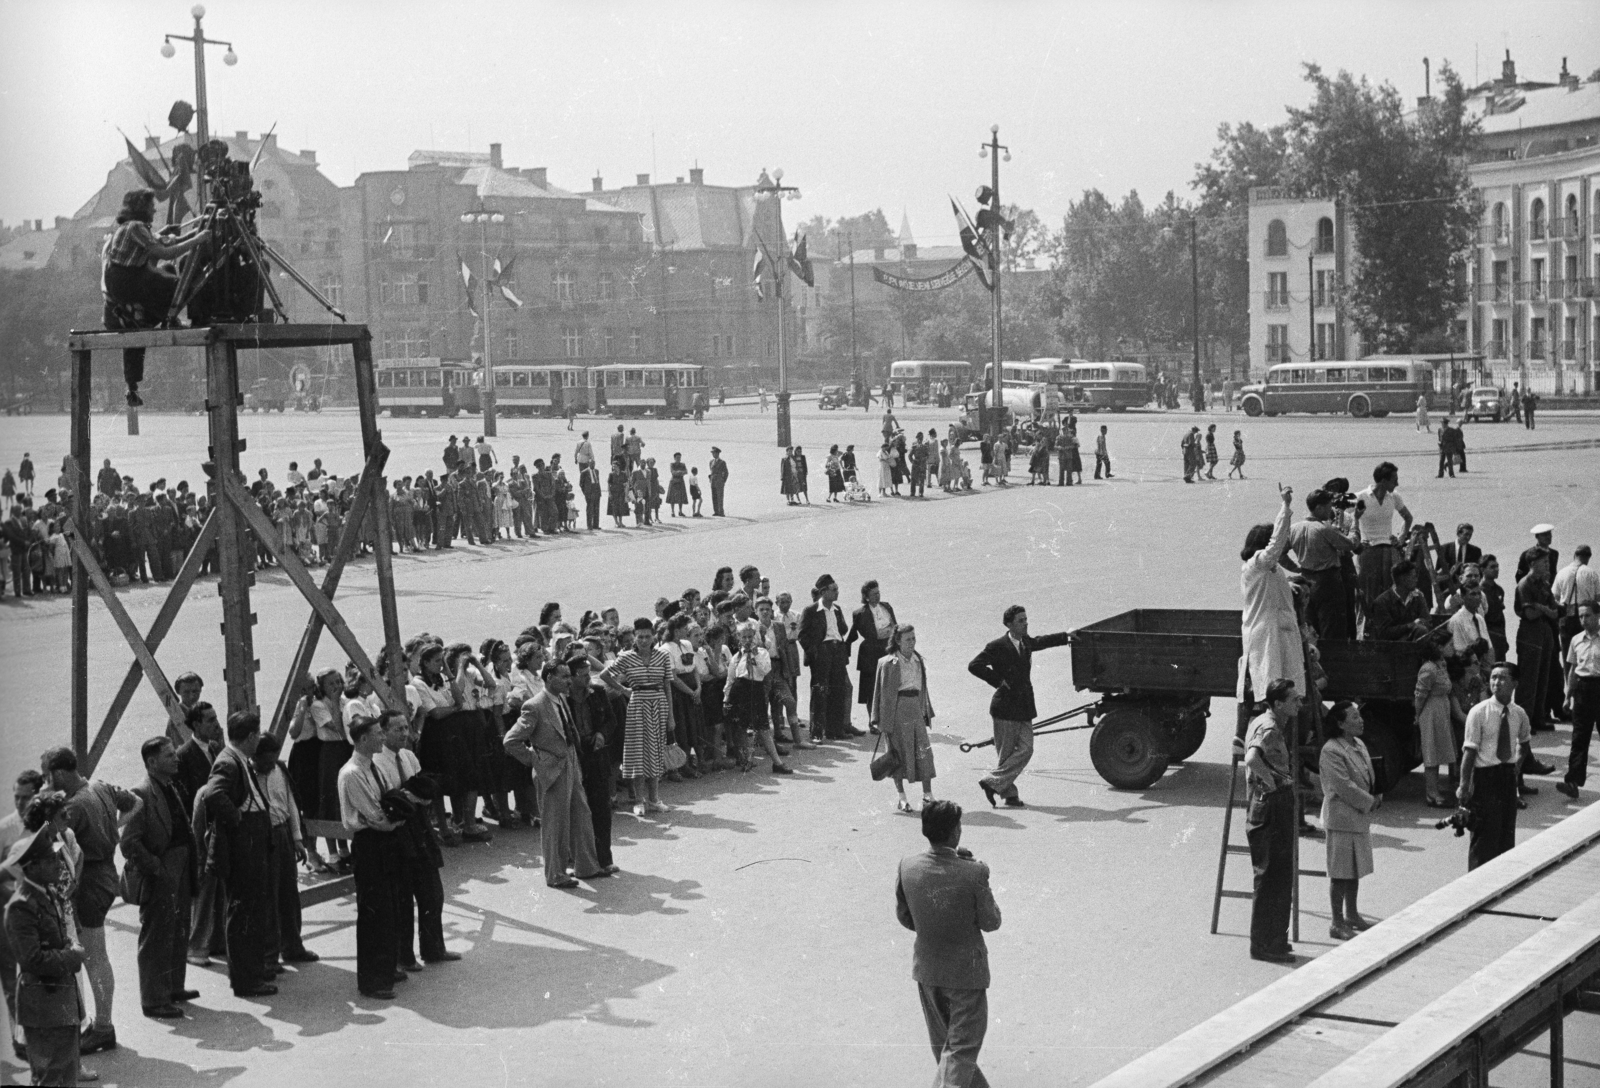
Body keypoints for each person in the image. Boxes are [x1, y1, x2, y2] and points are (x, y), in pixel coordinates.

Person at [894, 800, 1001, 1088]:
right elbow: (992, 922)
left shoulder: (908, 866)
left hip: (927, 971)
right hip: (966, 975)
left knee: (948, 1050)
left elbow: (905, 917)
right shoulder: (974, 872)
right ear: (956, 832)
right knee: (961, 1050)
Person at [43, 745, 140, 1054]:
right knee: (96, 956)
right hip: (105, 872)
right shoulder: (98, 787)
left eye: (49, 777)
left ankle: (103, 1028)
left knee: (93, 957)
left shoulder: (72, 807)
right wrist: (115, 828)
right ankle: (102, 1024)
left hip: (87, 880)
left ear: (59, 773)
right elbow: (135, 802)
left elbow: (48, 839)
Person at [506, 662, 613, 888]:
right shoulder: (534, 706)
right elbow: (511, 741)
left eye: (568, 676)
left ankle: (587, 866)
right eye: (563, 677)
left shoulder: (562, 699)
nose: (568, 680)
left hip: (571, 762)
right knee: (555, 823)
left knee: (581, 814)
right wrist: (537, 760)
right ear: (548, 678)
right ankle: (555, 874)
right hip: (552, 768)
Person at [100, 188, 211, 406]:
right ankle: (170, 316)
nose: (154, 209)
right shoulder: (135, 227)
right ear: (141, 208)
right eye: (151, 206)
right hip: (125, 282)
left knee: (168, 270)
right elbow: (166, 252)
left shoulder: (134, 228)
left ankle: (157, 317)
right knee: (179, 284)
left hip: (128, 282)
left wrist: (195, 233)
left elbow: (168, 243)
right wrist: (199, 239)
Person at [119, 736, 197, 1020]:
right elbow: (128, 843)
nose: (176, 759)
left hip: (180, 866)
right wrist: (156, 868)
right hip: (161, 871)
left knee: (178, 929)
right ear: (152, 762)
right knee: (157, 936)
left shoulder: (169, 785)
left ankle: (174, 987)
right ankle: (153, 1000)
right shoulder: (140, 794)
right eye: (169, 756)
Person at [967, 604, 1073, 808]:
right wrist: (998, 681)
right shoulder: (997, 645)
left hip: (1024, 705)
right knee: (1006, 753)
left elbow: (1042, 641)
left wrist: (1066, 636)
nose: (1025, 623)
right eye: (1020, 621)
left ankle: (992, 782)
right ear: (1009, 624)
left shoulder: (1025, 642)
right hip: (1005, 707)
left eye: (1026, 619)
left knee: (1026, 748)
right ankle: (1010, 795)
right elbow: (974, 665)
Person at [4, 828, 88, 1086]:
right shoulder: (21, 905)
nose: (58, 864)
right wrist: (71, 957)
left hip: (61, 999)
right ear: (32, 866)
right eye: (51, 860)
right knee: (50, 1076)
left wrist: (71, 945)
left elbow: (62, 935)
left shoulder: (47, 892)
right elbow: (32, 959)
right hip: (43, 1004)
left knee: (68, 1074)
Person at [203, 711, 277, 998]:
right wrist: (237, 818)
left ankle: (253, 971)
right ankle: (246, 979)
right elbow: (213, 795)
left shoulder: (239, 760)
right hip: (243, 846)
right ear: (249, 737)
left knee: (252, 910)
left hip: (253, 842)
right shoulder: (228, 762)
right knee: (243, 912)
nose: (259, 739)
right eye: (256, 735)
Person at [338, 715, 405, 999]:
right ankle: (372, 980)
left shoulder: (374, 766)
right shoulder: (352, 773)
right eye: (377, 733)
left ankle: (386, 968)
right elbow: (375, 814)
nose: (382, 737)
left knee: (389, 908)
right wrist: (397, 821)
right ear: (363, 739)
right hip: (369, 842)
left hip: (385, 841)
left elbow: (392, 797)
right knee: (373, 912)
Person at [1244, 678, 1302, 963]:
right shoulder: (1268, 728)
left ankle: (1275, 938)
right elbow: (1253, 759)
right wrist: (1273, 784)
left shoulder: (1266, 722)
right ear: (1278, 703)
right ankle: (1264, 944)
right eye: (1294, 700)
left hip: (1270, 804)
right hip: (1270, 806)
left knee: (1280, 875)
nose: (1299, 705)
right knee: (1271, 877)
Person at [252, 734, 319, 975]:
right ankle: (269, 956)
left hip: (283, 834)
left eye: (273, 760)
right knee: (268, 896)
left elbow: (291, 803)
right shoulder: (247, 774)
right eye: (266, 762)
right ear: (254, 757)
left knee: (289, 894)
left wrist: (297, 838)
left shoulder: (280, 769)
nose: (270, 766)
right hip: (262, 837)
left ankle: (292, 946)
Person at [1459, 663, 1535, 869]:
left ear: (1515, 684)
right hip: (1485, 778)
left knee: (1506, 832)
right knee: (1483, 835)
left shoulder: (1519, 714)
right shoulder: (1479, 712)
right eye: (1493, 677)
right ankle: (1476, 885)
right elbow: (1469, 752)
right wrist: (1463, 786)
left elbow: (1524, 742)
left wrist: (1516, 767)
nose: (1496, 682)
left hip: (1507, 779)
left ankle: (1501, 883)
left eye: (1502, 678)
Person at [1237, 486, 1304, 706]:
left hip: (1281, 634)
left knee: (1288, 693)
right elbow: (1275, 547)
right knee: (1273, 693)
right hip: (1267, 636)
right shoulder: (1255, 565)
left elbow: (1275, 590)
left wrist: (1293, 586)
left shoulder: (1273, 570)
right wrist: (1285, 507)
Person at [1320, 701, 1379, 940]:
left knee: (1354, 869)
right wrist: (1369, 800)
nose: (1360, 720)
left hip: (1358, 817)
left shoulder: (1359, 744)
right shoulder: (1331, 750)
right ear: (1341, 723)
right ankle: (1336, 922)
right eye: (1354, 717)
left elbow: (1368, 773)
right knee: (1340, 871)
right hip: (1342, 817)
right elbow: (1343, 785)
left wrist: (1377, 792)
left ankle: (1352, 914)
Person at [607, 618, 673, 815]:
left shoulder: (663, 656)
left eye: (647, 636)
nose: (644, 640)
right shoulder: (626, 657)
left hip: (659, 703)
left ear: (653, 636)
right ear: (634, 638)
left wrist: (671, 716)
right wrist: (624, 689)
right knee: (637, 754)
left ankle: (654, 799)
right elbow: (605, 675)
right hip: (637, 706)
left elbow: (667, 685)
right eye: (640, 637)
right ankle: (639, 801)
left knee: (655, 752)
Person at [873, 625, 937, 814]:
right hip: (897, 711)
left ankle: (927, 795)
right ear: (898, 641)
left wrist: (925, 710)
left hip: (915, 708)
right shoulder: (888, 663)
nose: (912, 643)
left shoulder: (918, 660)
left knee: (923, 751)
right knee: (897, 755)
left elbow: (923, 688)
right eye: (908, 639)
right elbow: (881, 694)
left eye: (914, 639)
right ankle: (902, 798)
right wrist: (882, 722)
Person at [1288, 489, 1360, 642]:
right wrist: (1355, 522)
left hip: (1306, 580)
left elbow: (1280, 554)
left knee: (1311, 626)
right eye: (1328, 507)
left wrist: (1296, 568)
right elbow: (1351, 544)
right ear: (1319, 508)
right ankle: (1333, 663)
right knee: (1333, 628)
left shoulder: (1294, 528)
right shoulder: (1324, 529)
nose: (1331, 510)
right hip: (1328, 582)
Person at [1353, 462, 1413, 631]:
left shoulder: (1394, 497)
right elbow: (1344, 517)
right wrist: (1357, 540)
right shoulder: (1361, 497)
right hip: (1368, 552)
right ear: (1383, 480)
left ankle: (1390, 630)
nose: (1397, 484)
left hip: (1389, 551)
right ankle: (1365, 632)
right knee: (1367, 593)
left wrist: (1400, 539)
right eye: (1394, 480)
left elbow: (1408, 518)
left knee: (1390, 592)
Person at [799, 575, 858, 741]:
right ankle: (817, 732)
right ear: (823, 592)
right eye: (834, 590)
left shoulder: (837, 609)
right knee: (820, 692)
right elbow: (802, 635)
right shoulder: (810, 611)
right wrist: (815, 654)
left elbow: (843, 629)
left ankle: (835, 730)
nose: (837, 592)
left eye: (837, 589)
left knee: (838, 691)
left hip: (837, 652)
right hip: (822, 653)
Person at [1557, 602, 1600, 800]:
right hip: (1583, 690)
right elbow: (1573, 670)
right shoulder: (1576, 640)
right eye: (1581, 616)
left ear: (1597, 616)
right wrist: (1568, 696)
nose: (1583, 620)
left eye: (1588, 616)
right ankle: (1572, 782)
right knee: (1579, 738)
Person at [1413, 639, 1456, 808]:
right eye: (1448, 644)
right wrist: (1417, 715)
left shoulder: (1440, 665)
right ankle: (1431, 794)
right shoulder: (1429, 669)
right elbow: (1420, 696)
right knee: (1431, 752)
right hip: (1431, 712)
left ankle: (1435, 789)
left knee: (1438, 751)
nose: (1451, 647)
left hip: (1441, 711)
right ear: (1439, 647)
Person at [848, 580, 898, 716]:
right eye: (874, 594)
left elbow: (895, 627)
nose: (877, 596)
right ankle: (873, 720)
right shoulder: (860, 613)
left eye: (878, 593)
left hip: (887, 649)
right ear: (866, 596)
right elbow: (860, 634)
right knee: (871, 689)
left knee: (889, 685)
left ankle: (888, 718)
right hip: (870, 653)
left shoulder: (886, 607)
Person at [708, 447, 728, 517]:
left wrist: (723, 481)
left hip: (719, 481)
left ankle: (721, 512)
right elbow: (711, 471)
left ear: (717, 453)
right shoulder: (711, 462)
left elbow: (726, 473)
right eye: (712, 453)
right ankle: (716, 511)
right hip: (713, 480)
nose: (713, 454)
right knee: (714, 496)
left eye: (714, 453)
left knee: (720, 496)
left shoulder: (722, 462)